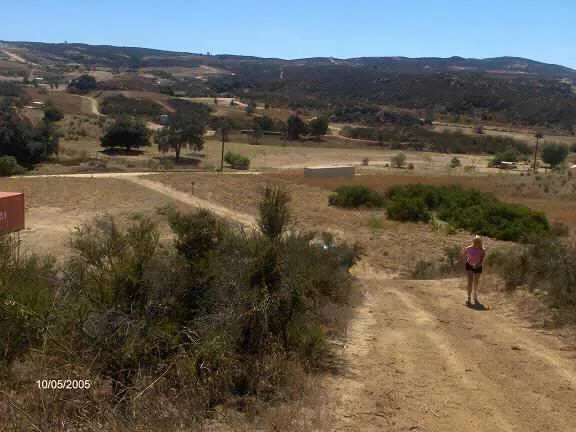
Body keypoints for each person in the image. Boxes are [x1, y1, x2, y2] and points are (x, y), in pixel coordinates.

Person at [463, 235, 486, 306]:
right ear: (473, 241)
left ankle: (475, 296)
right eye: (475, 241)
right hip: (469, 265)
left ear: (480, 242)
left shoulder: (482, 250)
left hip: (478, 266)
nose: (477, 242)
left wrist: (478, 264)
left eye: (478, 241)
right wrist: (468, 261)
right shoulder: (468, 248)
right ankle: (468, 298)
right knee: (470, 282)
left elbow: (482, 259)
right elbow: (464, 255)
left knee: (476, 282)